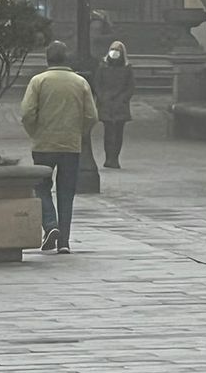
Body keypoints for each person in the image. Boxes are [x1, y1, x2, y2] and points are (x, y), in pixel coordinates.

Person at [19, 41, 98, 254]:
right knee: (66, 192)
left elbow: (27, 113)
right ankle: (64, 240)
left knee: (41, 186)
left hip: (44, 144)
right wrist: (79, 133)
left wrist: (34, 132)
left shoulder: (39, 81)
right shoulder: (80, 82)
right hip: (71, 145)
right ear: (66, 58)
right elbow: (91, 115)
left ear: (47, 59)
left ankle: (50, 224)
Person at [96, 41, 135, 169]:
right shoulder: (103, 67)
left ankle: (115, 158)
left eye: (118, 49)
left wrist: (123, 99)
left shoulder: (127, 68)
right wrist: (102, 97)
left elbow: (130, 87)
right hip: (106, 103)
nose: (115, 52)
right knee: (108, 132)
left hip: (120, 104)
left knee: (118, 133)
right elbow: (98, 84)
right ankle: (108, 158)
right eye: (113, 49)